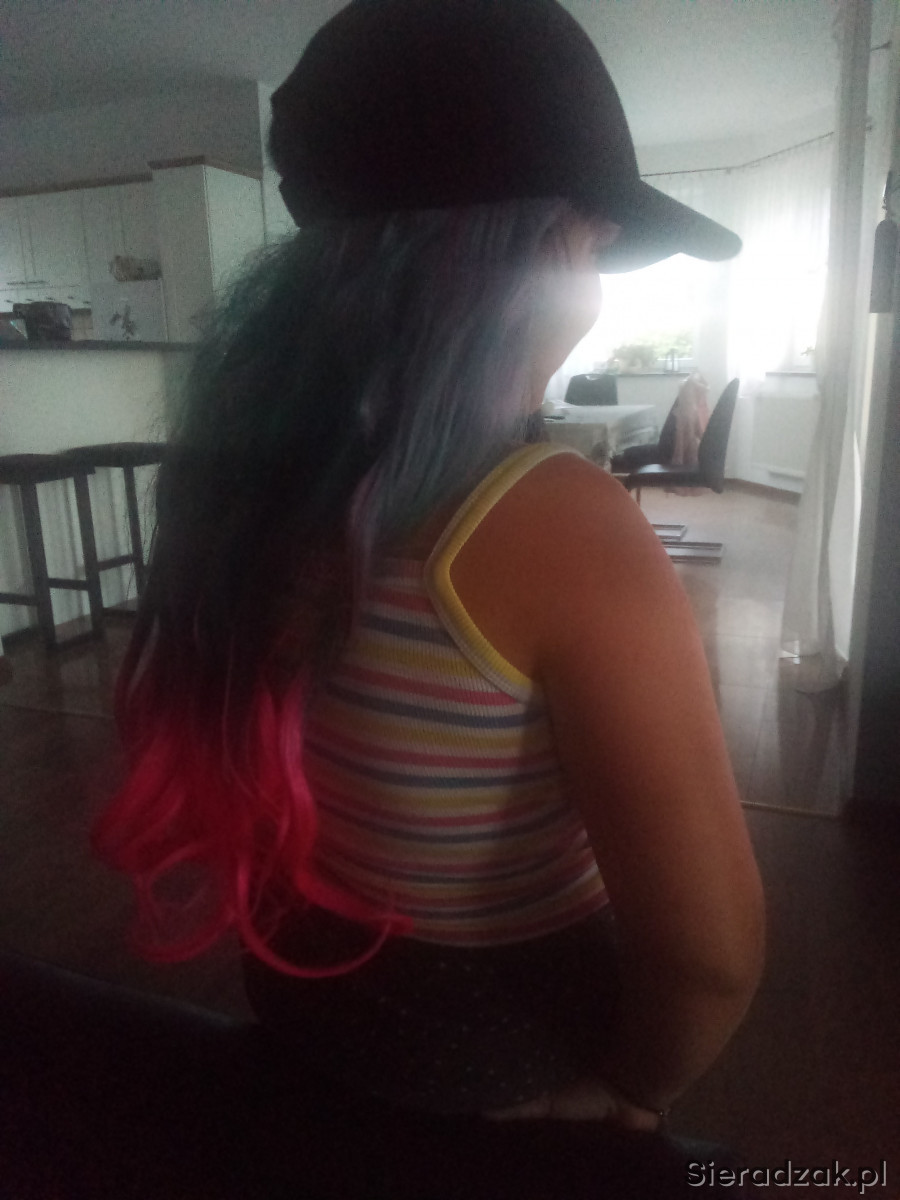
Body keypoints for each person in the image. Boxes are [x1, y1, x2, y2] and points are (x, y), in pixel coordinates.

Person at [93, 0, 764, 1146]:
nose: (595, 293)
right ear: (518, 257)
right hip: (491, 1045)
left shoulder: (250, 480)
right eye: (592, 244)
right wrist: (636, 1089)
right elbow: (709, 957)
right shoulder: (560, 523)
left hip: (303, 991)